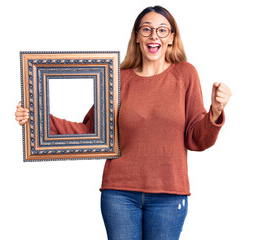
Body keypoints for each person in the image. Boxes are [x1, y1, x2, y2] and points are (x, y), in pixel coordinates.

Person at [15, 5, 232, 240]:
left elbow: (196, 139)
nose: (154, 36)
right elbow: (89, 131)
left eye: (162, 30)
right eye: (147, 29)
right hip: (119, 194)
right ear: (137, 37)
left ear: (171, 38)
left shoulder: (185, 74)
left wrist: (215, 112)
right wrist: (37, 117)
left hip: (169, 195)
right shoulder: (117, 78)